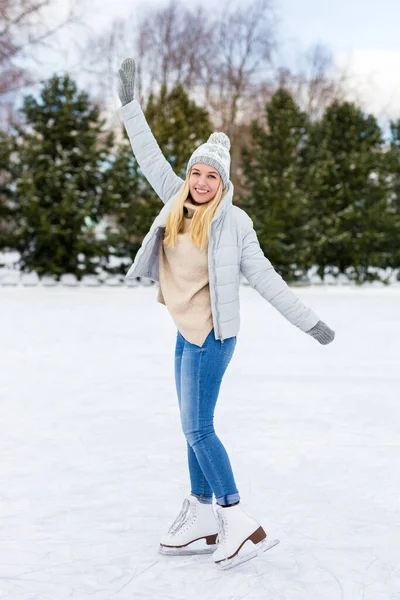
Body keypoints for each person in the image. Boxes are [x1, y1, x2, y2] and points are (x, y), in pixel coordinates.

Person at [117, 58, 335, 571]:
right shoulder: (174, 201)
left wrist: (310, 323)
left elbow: (266, 279)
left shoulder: (235, 224)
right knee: (191, 426)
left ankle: (237, 518)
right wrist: (130, 106)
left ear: (224, 181)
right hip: (183, 330)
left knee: (199, 430)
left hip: (213, 337)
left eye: (210, 175)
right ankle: (200, 513)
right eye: (195, 171)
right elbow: (147, 155)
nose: (200, 180)